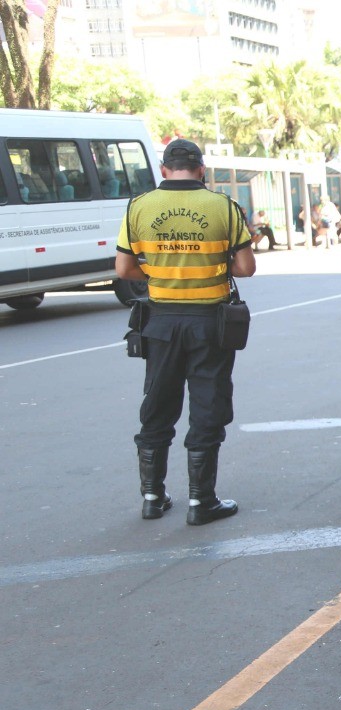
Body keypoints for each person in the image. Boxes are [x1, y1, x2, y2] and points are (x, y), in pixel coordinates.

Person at [114, 139, 255, 525]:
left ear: (164, 170)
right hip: (209, 325)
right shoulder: (223, 207)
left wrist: (160, 274)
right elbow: (245, 268)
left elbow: (124, 270)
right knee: (208, 406)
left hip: (159, 323)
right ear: (201, 169)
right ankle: (201, 501)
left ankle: (152, 496)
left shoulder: (139, 207)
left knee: (158, 405)